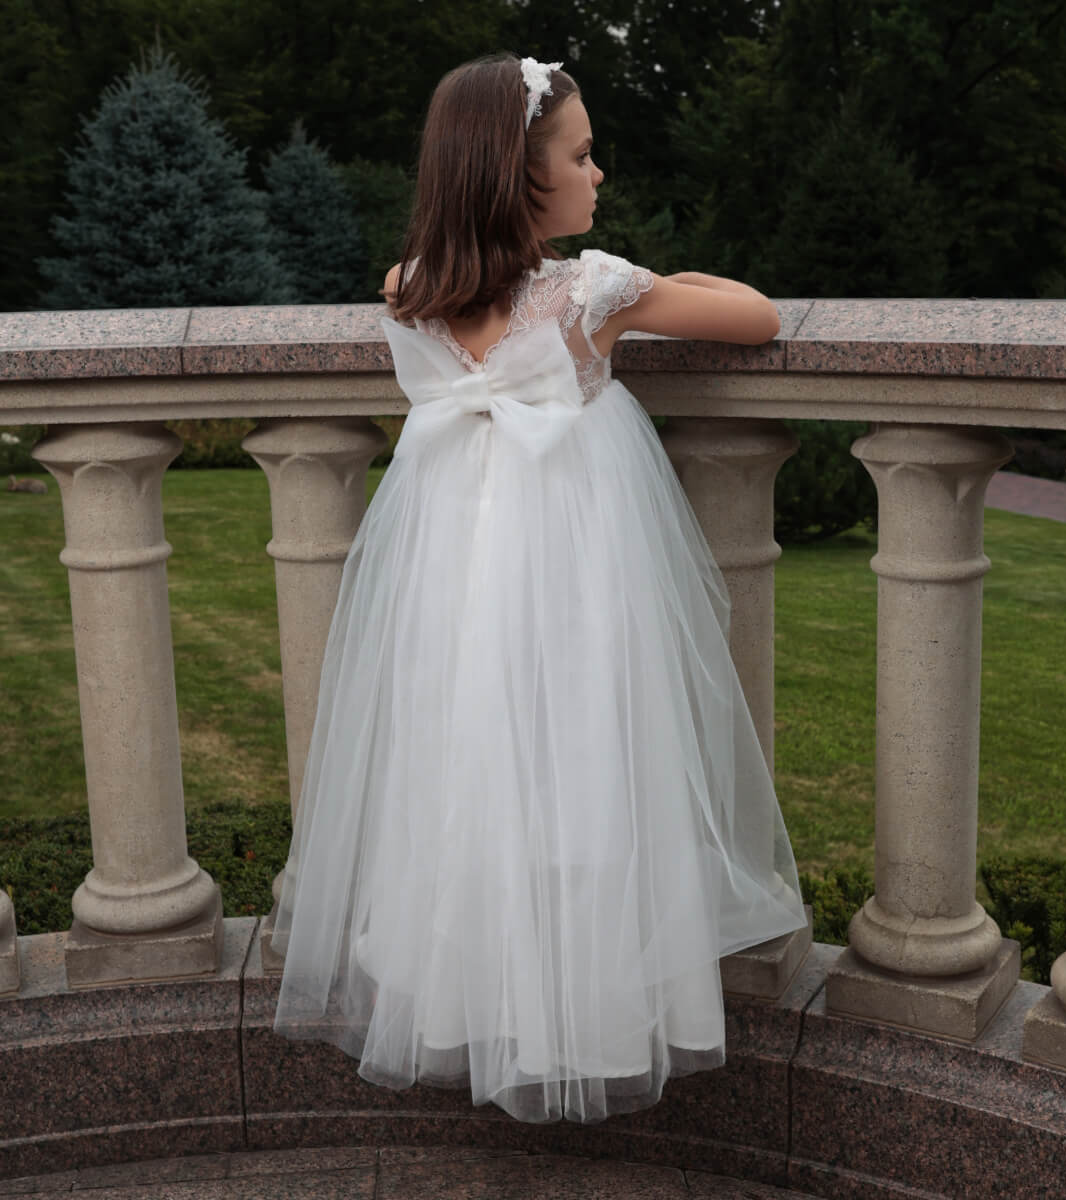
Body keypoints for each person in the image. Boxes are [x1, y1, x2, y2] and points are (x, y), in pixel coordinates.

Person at [271, 52, 807, 1125]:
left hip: (457, 586)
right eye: (582, 154)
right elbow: (756, 317)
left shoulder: (409, 290)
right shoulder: (591, 293)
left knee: (469, 773)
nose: (598, 172)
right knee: (585, 772)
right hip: (570, 584)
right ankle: (587, 1005)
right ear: (522, 179)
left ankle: (477, 988)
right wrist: (655, 280)